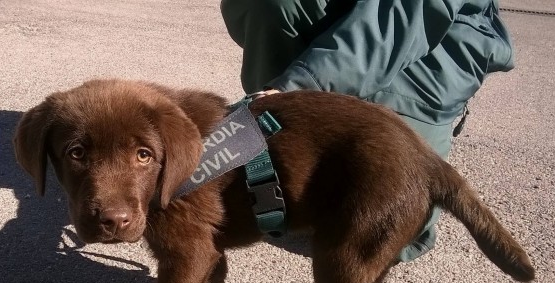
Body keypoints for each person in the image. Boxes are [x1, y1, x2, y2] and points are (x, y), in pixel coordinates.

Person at [220, 0, 514, 261]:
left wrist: (291, 88)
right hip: (347, 16)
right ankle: (280, 168)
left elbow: (395, 20)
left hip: (430, 44)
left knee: (382, 227)